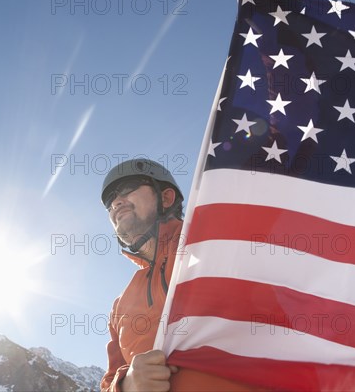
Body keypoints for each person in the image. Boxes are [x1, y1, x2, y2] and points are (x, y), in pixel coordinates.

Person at [100, 159, 255, 392]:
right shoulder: (119, 307)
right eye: (111, 200)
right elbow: (109, 380)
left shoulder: (215, 240)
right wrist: (126, 385)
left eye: (127, 188)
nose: (116, 201)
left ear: (166, 198)